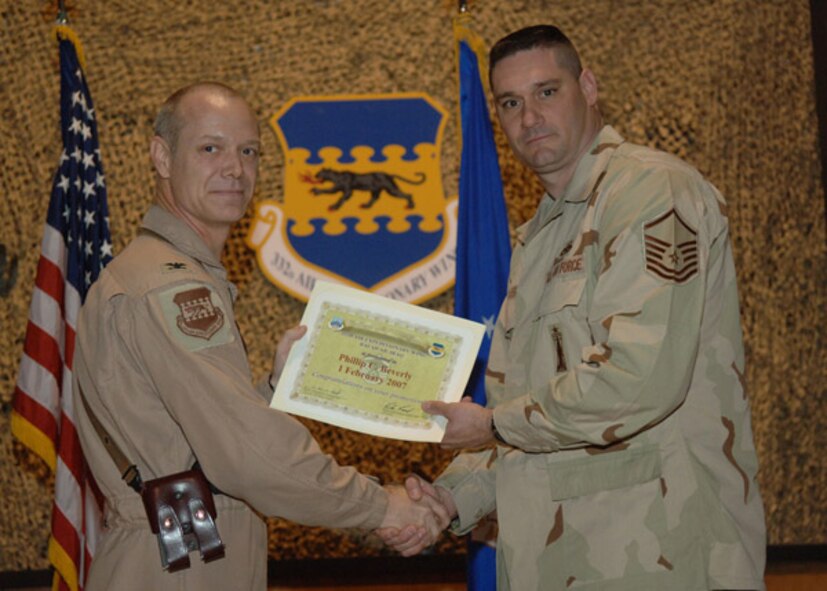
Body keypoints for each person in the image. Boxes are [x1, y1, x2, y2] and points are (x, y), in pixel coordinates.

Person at [379, 25, 766, 590]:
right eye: (511, 102)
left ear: (588, 86)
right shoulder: (539, 237)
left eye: (547, 91)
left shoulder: (651, 193)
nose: (529, 117)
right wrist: (448, 497)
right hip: (560, 561)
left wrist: (489, 424)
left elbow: (638, 381)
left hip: (658, 557)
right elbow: (527, 413)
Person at [73, 82, 447, 590]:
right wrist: (381, 505)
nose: (235, 168)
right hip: (181, 566)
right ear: (161, 156)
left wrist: (272, 387)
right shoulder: (171, 285)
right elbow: (246, 456)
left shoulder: (168, 273)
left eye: (248, 151)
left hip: (189, 551)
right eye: (211, 148)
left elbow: (187, 437)